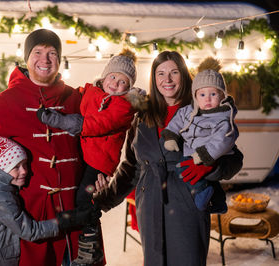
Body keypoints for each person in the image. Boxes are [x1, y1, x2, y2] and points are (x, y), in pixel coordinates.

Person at [93, 51, 243, 266]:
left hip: (187, 201)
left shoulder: (202, 110)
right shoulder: (143, 114)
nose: (167, 79)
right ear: (154, 79)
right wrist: (104, 199)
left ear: (184, 75)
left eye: (174, 72)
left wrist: (211, 167)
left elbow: (234, 159)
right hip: (150, 202)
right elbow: (131, 166)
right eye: (161, 73)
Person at [0, 29, 89, 266]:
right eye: (38, 52)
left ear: (60, 60)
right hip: (31, 214)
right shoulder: (6, 102)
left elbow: (93, 143)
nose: (45, 59)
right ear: (27, 57)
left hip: (75, 211)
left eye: (52, 53)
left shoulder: (73, 98)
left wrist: (98, 177)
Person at [37, 49, 144, 265]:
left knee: (83, 199)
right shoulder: (90, 91)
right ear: (104, 76)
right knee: (75, 196)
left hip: (100, 162)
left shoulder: (124, 106)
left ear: (129, 87)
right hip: (83, 155)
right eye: (112, 76)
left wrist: (64, 121)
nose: (115, 83)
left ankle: (89, 245)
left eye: (123, 81)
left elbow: (97, 125)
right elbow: (71, 96)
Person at [0, 135, 100, 266]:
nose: (24, 171)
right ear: (0, 170)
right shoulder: (1, 201)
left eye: (25, 164)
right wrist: (68, 219)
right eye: (16, 167)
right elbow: (31, 231)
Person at [161, 57, 239, 212]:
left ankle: (201, 191)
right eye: (202, 95)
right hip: (192, 153)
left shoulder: (223, 117)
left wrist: (204, 155)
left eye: (213, 94)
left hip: (212, 154)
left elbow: (223, 139)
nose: (208, 99)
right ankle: (219, 203)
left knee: (183, 168)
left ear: (222, 96)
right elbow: (177, 120)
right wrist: (171, 135)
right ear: (195, 96)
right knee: (205, 179)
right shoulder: (189, 110)